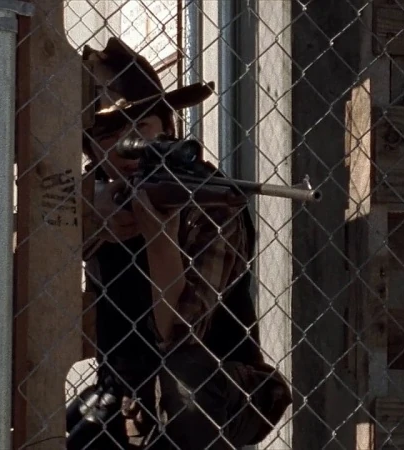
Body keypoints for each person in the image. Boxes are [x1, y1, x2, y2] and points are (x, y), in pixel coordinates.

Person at [70, 37, 292, 449]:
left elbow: (179, 334)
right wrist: (89, 225)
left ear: (167, 129)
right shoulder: (90, 199)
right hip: (128, 388)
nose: (127, 144)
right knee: (74, 427)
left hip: (220, 382)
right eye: (109, 134)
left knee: (183, 383)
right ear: (91, 152)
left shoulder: (208, 200)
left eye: (142, 126)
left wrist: (159, 236)